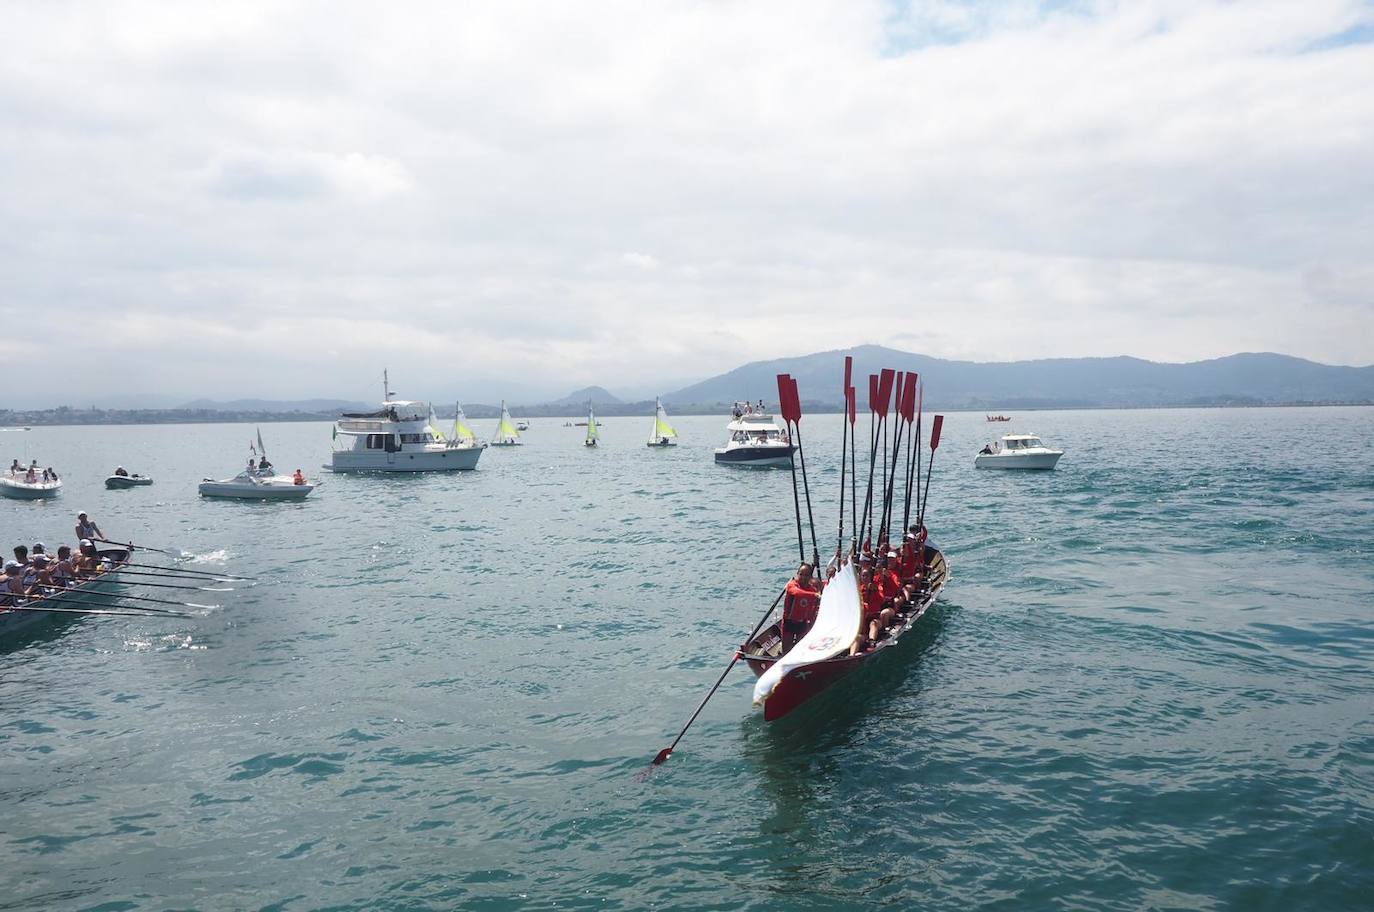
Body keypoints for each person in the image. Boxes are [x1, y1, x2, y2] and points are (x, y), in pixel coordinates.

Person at [781, 563, 821, 651]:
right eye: (801, 574)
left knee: (800, 650)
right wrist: (814, 595)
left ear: (810, 577)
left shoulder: (812, 590)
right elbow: (797, 593)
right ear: (797, 574)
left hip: (802, 623)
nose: (803, 577)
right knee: (786, 650)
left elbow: (812, 609)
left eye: (806, 575)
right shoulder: (792, 585)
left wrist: (811, 624)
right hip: (789, 622)